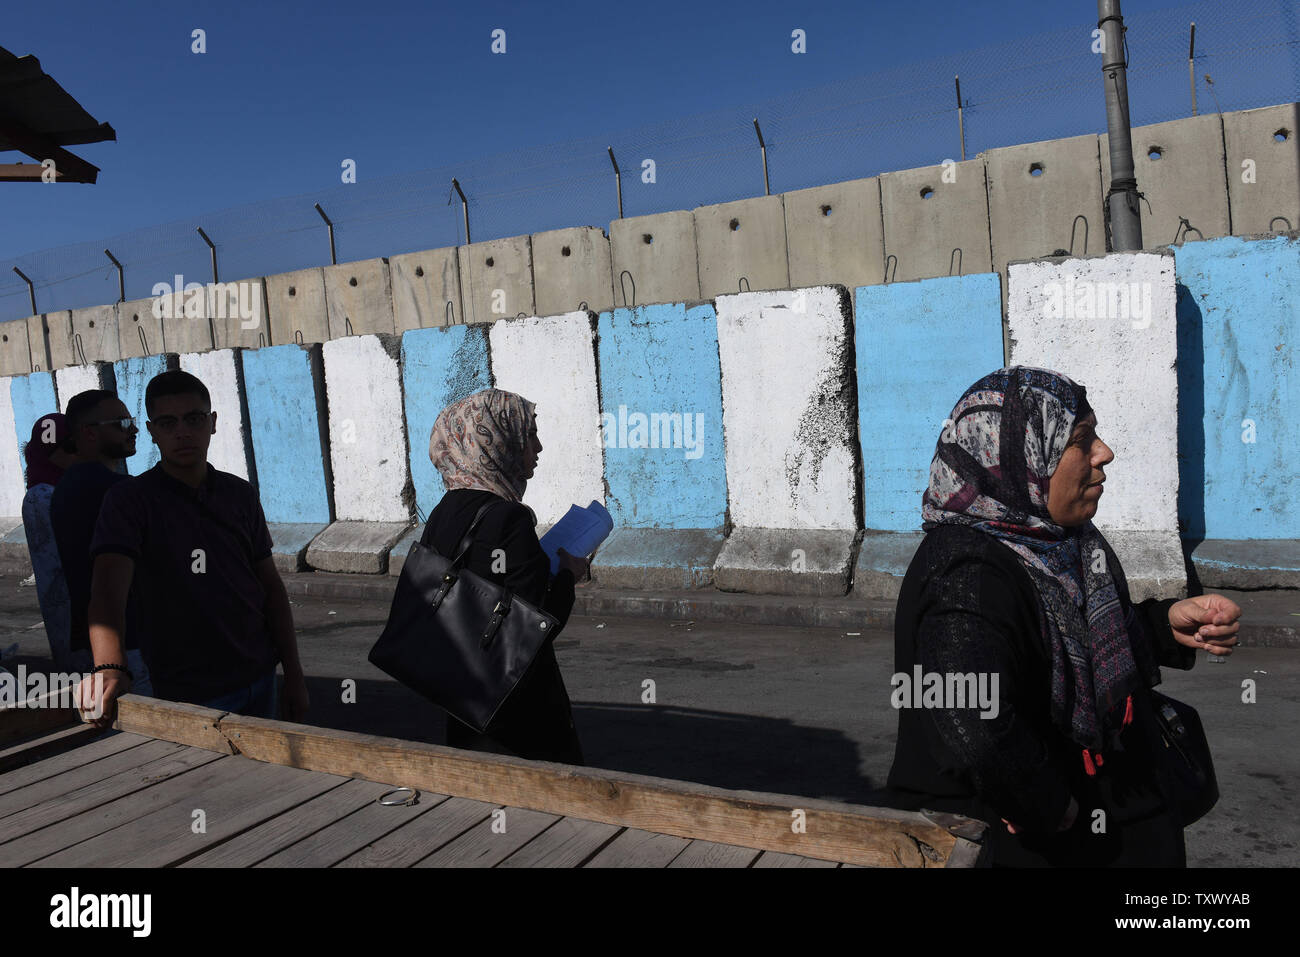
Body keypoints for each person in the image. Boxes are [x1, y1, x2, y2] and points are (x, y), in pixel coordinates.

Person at [885, 366, 1241, 867]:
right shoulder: (967, 569)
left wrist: (1165, 626)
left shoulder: (1058, 545)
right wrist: (1051, 805)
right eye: (1082, 440)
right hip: (1030, 847)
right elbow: (971, 718)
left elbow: (1077, 644)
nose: (1104, 454)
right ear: (1022, 458)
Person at [76, 370, 308, 726]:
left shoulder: (239, 494)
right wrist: (109, 667)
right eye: (168, 423)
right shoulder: (129, 501)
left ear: (212, 423)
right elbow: (107, 592)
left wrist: (293, 674)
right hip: (189, 691)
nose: (182, 432)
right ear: (152, 432)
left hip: (260, 677)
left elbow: (270, 587)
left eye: (194, 419)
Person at [421, 388, 591, 764]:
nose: (539, 446)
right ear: (497, 439)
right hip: (516, 708)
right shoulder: (508, 518)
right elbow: (536, 622)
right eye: (529, 434)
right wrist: (566, 575)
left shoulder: (442, 513)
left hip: (462, 696)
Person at [50, 392, 152, 693]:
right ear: (89, 432)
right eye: (121, 423)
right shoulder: (116, 492)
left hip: (98, 642)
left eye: (131, 421)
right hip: (126, 643)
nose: (132, 429)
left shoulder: (69, 486)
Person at [20, 413, 76, 670]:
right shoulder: (42, 495)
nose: (74, 454)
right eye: (67, 447)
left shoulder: (64, 487)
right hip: (68, 600)